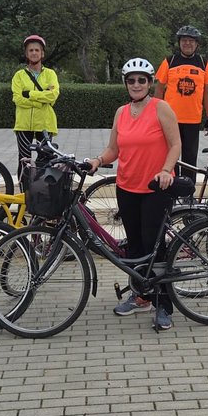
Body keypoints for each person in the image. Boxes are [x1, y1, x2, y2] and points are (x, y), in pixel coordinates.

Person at [86, 58, 181, 330]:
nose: (136, 84)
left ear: (150, 83)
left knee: (155, 249)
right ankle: (142, 297)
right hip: (126, 187)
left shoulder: (161, 108)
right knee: (136, 247)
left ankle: (164, 305)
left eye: (142, 80)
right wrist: (97, 160)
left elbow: (175, 145)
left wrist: (166, 170)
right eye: (131, 80)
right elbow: (113, 150)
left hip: (155, 188)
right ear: (126, 84)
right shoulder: (121, 112)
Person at [154, 25, 208, 179]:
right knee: (170, 157)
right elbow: (159, 89)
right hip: (170, 119)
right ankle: (170, 190)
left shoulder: (203, 62)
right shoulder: (170, 61)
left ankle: (188, 194)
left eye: (191, 41)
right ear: (179, 42)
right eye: (184, 40)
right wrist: (154, 113)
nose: (187, 43)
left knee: (189, 158)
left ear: (197, 44)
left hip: (192, 119)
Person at [11, 34, 60, 182]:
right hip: (24, 124)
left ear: (42, 53)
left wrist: (30, 94)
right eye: (31, 50)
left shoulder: (50, 74)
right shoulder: (19, 76)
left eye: (37, 50)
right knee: (24, 160)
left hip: (45, 124)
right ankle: (24, 195)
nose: (34, 53)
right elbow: (18, 99)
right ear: (26, 54)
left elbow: (53, 96)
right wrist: (41, 100)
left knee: (45, 159)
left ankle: (40, 193)